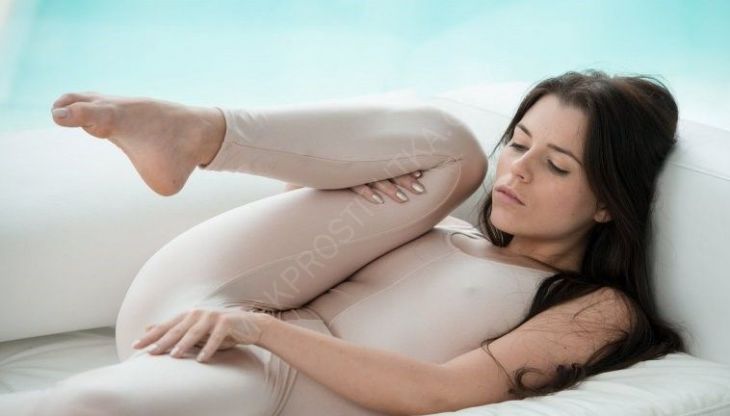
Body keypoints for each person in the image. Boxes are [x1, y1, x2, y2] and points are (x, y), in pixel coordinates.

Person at [35, 69, 685, 416]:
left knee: (89, 404)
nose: (515, 171)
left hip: (267, 373)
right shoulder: (448, 221)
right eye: (518, 143)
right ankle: (199, 132)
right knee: (453, 153)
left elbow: (437, 392)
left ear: (608, 202)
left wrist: (260, 332)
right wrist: (366, 192)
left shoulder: (598, 309)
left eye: (557, 166)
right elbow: (292, 235)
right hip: (206, 298)